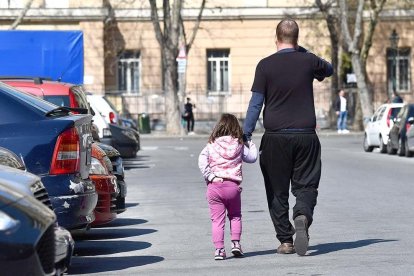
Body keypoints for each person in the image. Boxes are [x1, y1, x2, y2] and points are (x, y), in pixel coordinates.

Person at [243, 18, 333, 256]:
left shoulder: (265, 66)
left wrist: (246, 133)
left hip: (275, 138)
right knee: (307, 185)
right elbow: (329, 69)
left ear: (276, 40)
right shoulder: (308, 60)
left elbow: (256, 104)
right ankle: (302, 214)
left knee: (276, 190)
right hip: (306, 136)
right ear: (297, 39)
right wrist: (303, 51)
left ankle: (286, 240)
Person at [198, 113, 258, 260]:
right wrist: (250, 142)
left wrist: (211, 176)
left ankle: (219, 250)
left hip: (214, 187)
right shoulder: (239, 144)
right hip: (233, 187)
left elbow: (201, 161)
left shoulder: (211, 144)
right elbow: (252, 158)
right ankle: (236, 244)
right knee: (235, 216)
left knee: (217, 220)